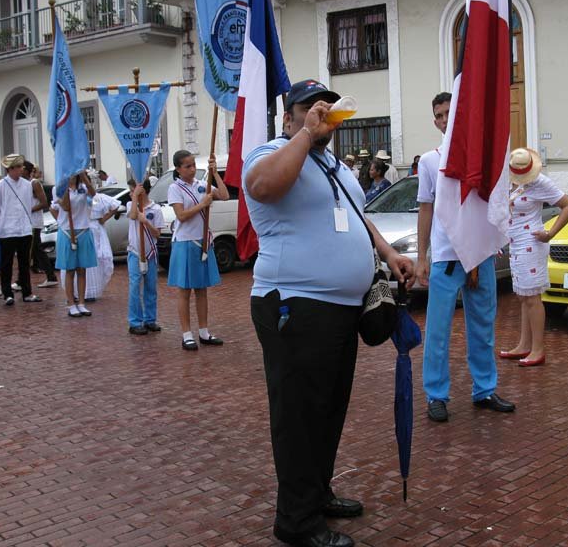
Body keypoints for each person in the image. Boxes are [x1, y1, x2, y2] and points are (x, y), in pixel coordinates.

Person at [243, 79, 414, 547]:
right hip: (294, 303)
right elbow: (263, 187)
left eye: (330, 108)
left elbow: (358, 215)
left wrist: (387, 253)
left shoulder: (335, 166)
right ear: (288, 117)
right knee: (299, 415)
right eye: (311, 107)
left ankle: (316, 493)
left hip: (340, 309)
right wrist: (306, 134)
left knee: (327, 409)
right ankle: (296, 522)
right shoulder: (270, 152)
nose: (323, 114)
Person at [415, 92, 515, 423]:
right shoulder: (430, 161)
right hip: (446, 257)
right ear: (435, 121)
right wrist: (421, 256)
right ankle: (436, 394)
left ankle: (484, 389)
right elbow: (425, 208)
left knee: (483, 326)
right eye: (439, 115)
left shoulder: (482, 158)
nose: (445, 119)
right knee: (438, 331)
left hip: (480, 253)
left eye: (449, 112)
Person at [498, 148, 568, 366]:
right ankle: (524, 344)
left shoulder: (540, 182)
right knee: (524, 296)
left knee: (532, 297)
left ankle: (538, 349)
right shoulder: (511, 182)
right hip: (516, 243)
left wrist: (550, 233)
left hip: (532, 243)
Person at [167, 150, 229, 351]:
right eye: (188, 166)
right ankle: (187, 334)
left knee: (202, 289)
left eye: (194, 165)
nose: (192, 169)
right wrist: (202, 205)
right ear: (178, 169)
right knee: (184, 290)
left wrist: (215, 173)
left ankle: (204, 331)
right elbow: (181, 216)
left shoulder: (202, 184)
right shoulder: (175, 188)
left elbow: (225, 195)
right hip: (185, 242)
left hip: (203, 241)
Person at [0, 154, 41, 305]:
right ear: (10, 169)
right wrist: (4, 220)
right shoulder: (0, 186)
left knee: (24, 263)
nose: (21, 170)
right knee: (7, 264)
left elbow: (29, 204)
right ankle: (7, 294)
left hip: (24, 229)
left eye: (21, 167)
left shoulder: (27, 185)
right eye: (18, 167)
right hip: (7, 231)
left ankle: (27, 292)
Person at [53, 172, 97, 317]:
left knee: (82, 269)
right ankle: (71, 303)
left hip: (83, 229)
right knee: (70, 270)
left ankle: (82, 303)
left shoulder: (83, 187)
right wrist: (66, 187)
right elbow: (65, 206)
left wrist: (84, 177)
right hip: (67, 231)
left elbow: (93, 194)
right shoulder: (58, 188)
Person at [126, 179, 164, 335]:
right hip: (135, 252)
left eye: (132, 190)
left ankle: (150, 320)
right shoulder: (131, 204)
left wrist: (146, 222)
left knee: (151, 287)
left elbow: (157, 234)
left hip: (150, 253)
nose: (130, 193)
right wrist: (135, 198)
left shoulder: (156, 209)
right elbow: (133, 216)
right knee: (135, 286)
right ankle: (134, 322)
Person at [76, 190, 120, 300]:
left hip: (94, 228)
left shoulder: (98, 197)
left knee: (96, 258)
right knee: (81, 259)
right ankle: (78, 291)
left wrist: (104, 218)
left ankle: (90, 291)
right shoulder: (77, 196)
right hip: (81, 228)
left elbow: (115, 205)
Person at [22, 161, 58, 288]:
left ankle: (21, 280)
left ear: (27, 170)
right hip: (26, 223)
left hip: (34, 223)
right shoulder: (22, 184)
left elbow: (44, 203)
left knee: (30, 251)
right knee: (37, 250)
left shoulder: (34, 183)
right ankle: (51, 276)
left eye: (21, 168)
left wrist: (28, 210)